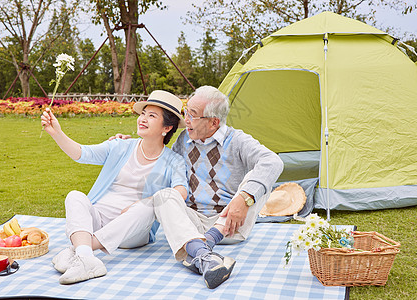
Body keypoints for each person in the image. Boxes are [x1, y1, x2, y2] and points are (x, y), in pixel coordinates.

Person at [41, 90, 232, 287]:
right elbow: (82, 153)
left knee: (150, 206)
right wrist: (57, 132)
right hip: (98, 220)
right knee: (75, 196)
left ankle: (79, 249)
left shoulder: (173, 160)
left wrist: (143, 202)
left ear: (166, 127)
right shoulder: (120, 146)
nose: (143, 119)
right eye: (143, 113)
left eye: (151, 116)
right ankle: (85, 258)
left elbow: (180, 190)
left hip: (134, 231)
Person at [111, 86, 284, 283]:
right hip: (191, 225)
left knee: (260, 174)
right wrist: (124, 146)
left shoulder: (238, 141)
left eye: (192, 115)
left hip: (231, 224)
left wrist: (244, 199)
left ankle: (200, 247)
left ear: (214, 122)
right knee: (164, 196)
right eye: (186, 112)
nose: (185, 120)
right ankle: (205, 256)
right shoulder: (184, 140)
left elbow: (274, 162)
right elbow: (161, 160)